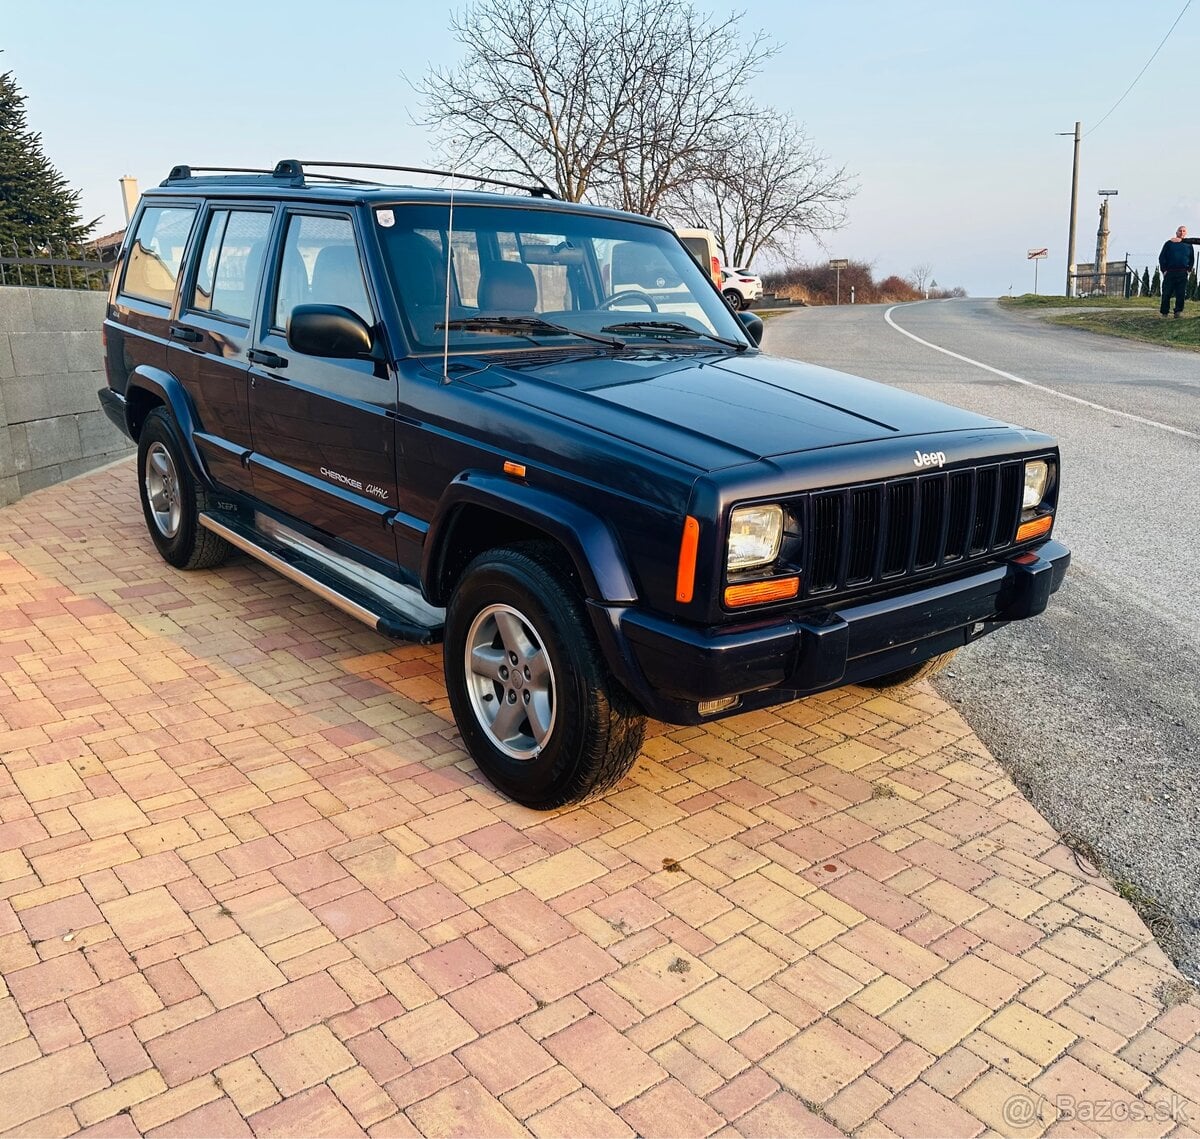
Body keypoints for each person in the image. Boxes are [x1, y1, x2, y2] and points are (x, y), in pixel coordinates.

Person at [1158, 225, 1194, 318]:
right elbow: (1162, 257)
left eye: (1184, 231)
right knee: (1166, 293)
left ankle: (1178, 312)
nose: (1182, 232)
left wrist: (1189, 270)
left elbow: (1191, 259)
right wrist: (1164, 270)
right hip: (1170, 272)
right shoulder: (1169, 244)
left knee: (1181, 294)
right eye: (1180, 231)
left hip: (1183, 273)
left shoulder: (1189, 245)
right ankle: (1164, 313)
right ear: (1176, 232)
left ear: (1186, 233)